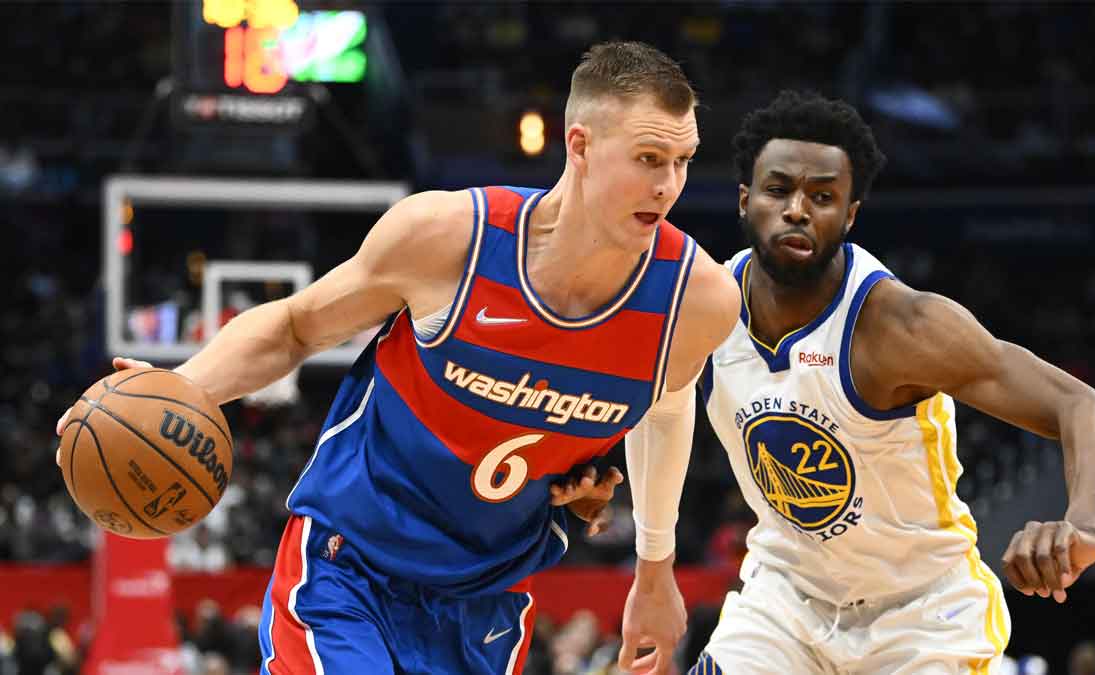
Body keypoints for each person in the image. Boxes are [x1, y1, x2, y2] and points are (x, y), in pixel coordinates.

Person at [57, 41, 740, 675]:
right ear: (580, 146)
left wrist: (655, 567)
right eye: (650, 159)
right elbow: (295, 327)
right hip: (350, 566)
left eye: (683, 161)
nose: (669, 185)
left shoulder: (697, 298)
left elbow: (668, 406)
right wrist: (178, 387)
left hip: (487, 601)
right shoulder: (450, 241)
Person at [687, 90, 1095, 674]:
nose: (797, 209)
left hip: (922, 616)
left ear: (850, 215)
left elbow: (1086, 408)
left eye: (822, 196)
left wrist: (1086, 526)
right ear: (745, 200)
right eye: (777, 189)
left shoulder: (902, 326)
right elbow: (640, 402)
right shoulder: (702, 306)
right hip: (785, 601)